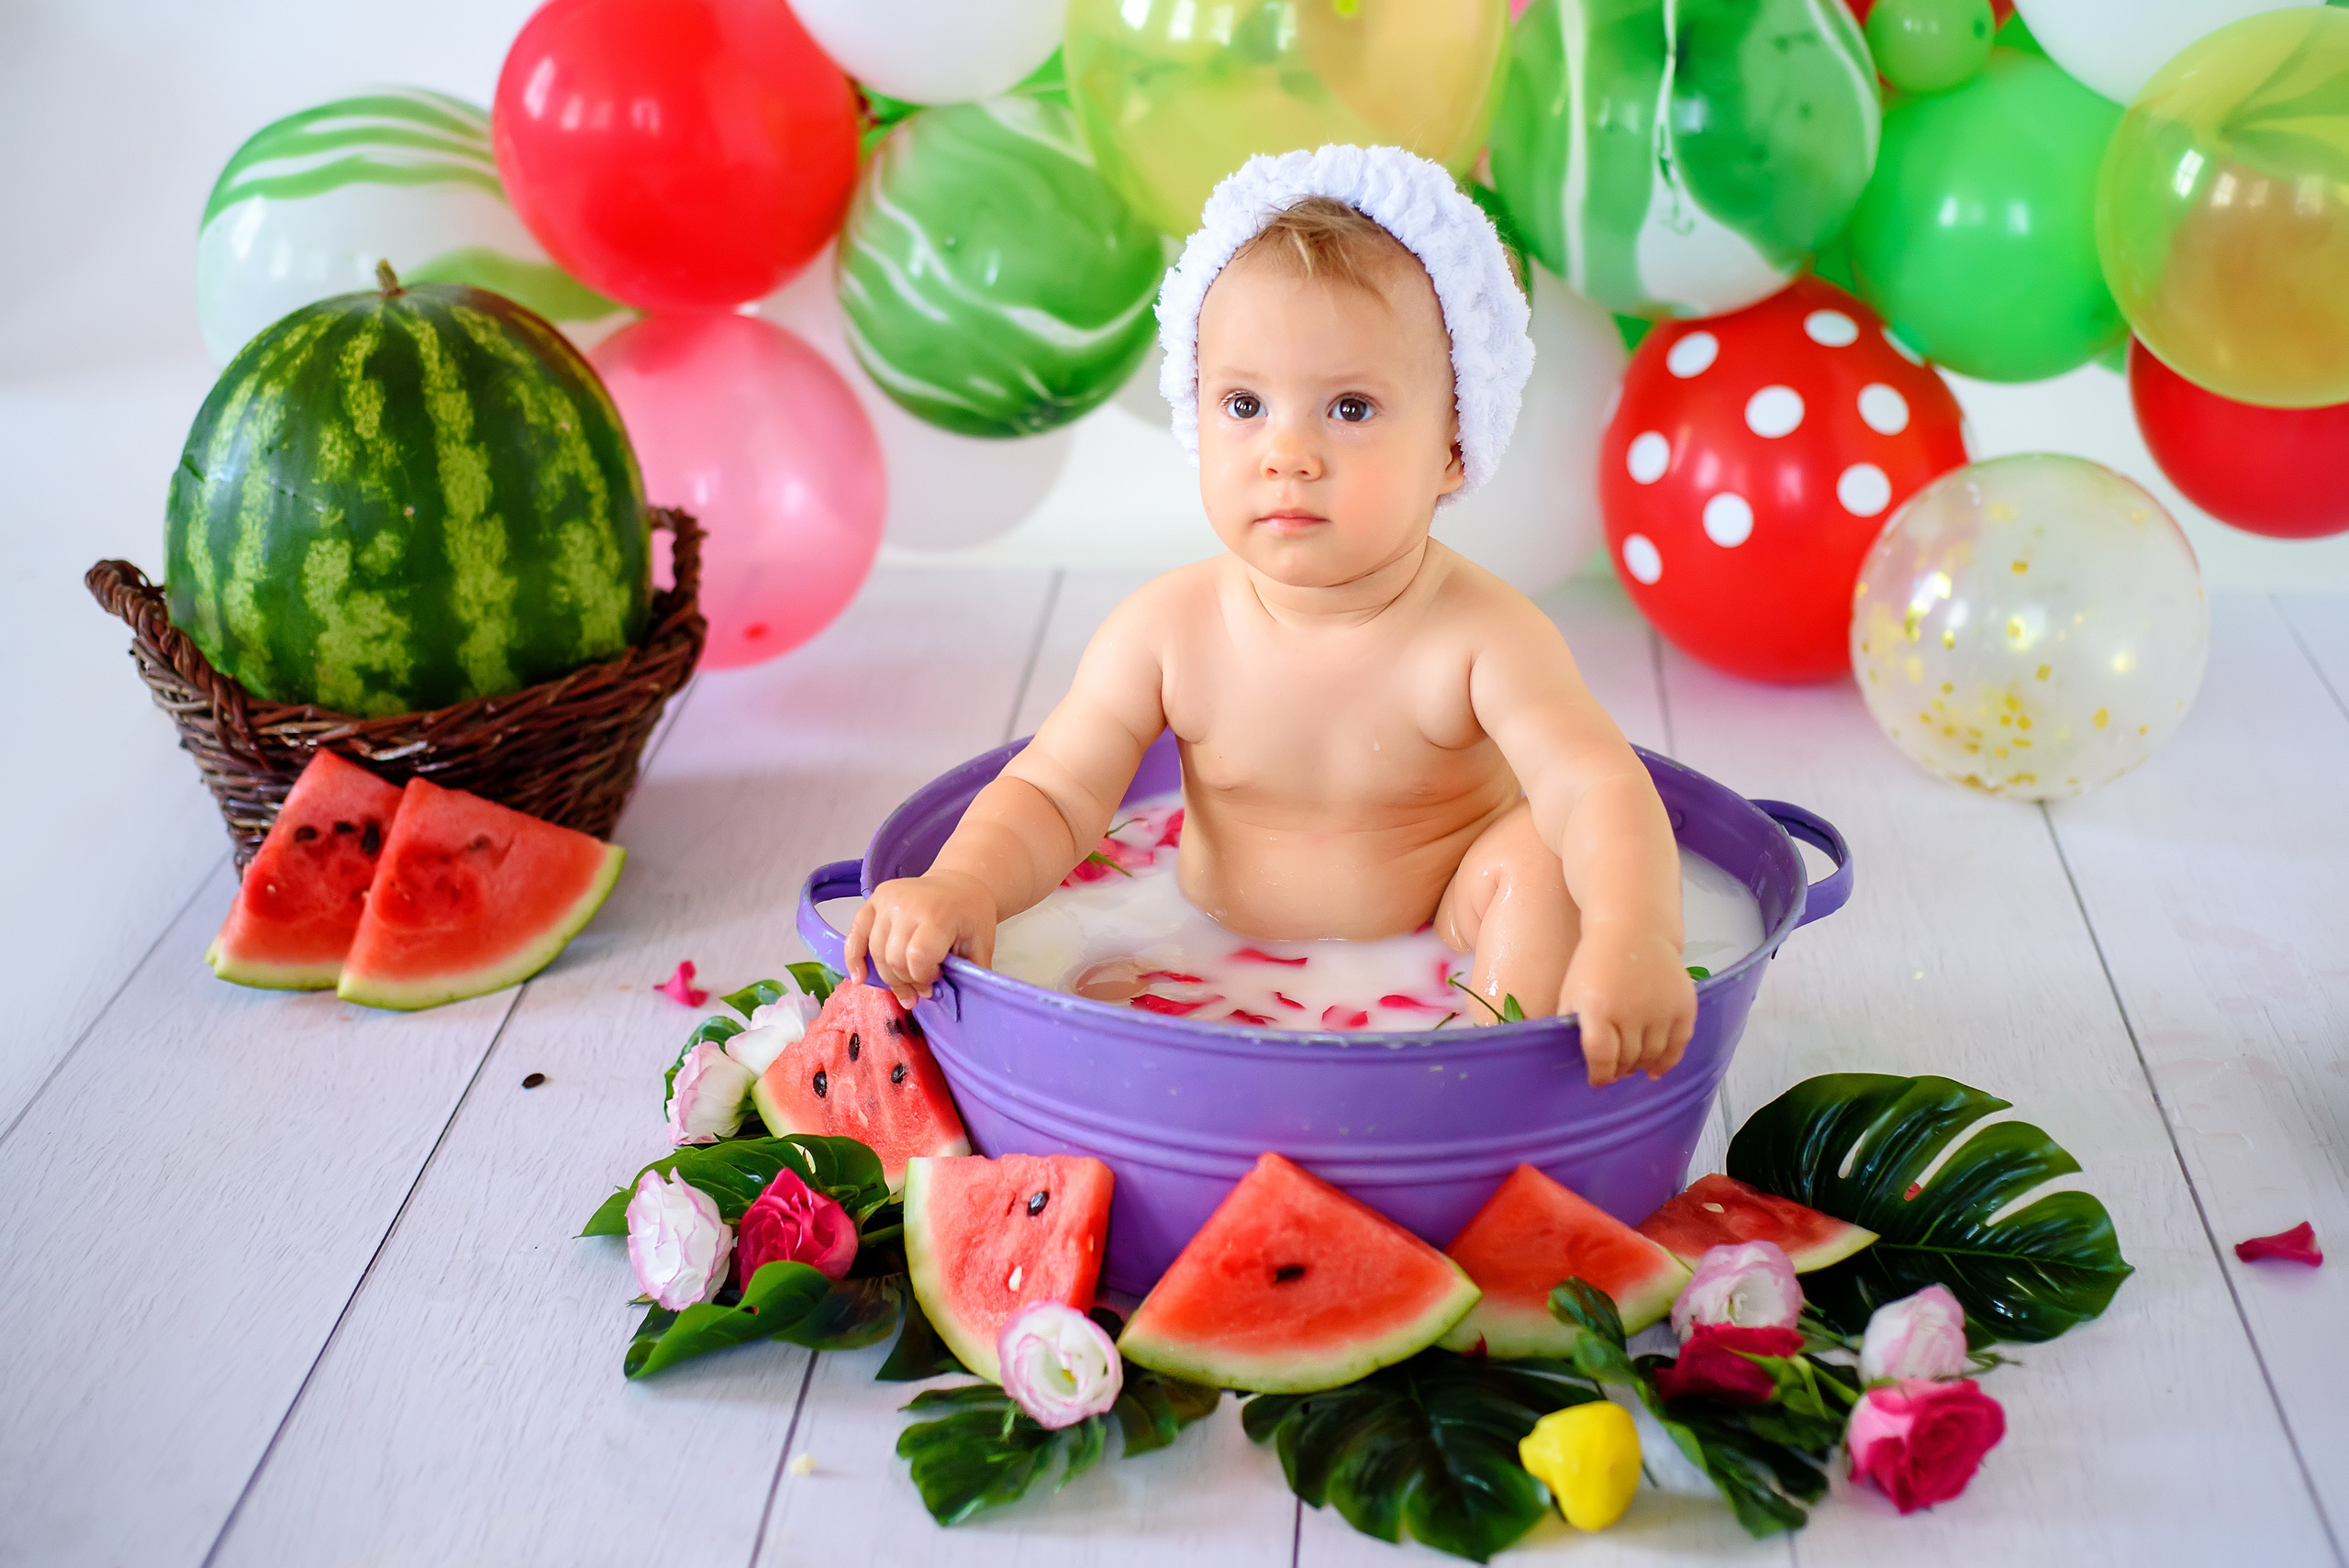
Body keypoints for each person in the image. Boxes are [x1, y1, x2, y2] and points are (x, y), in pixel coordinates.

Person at [848, 145, 1695, 1085]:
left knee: (1541, 859)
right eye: (1244, 402)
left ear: (1454, 446)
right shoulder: (1164, 630)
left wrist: (1635, 934)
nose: (1288, 451)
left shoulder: (1483, 637)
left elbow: (1597, 790)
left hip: (1449, 919)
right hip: (1201, 939)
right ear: (1195, 413)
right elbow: (1051, 794)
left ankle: (1483, 1070)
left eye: (1350, 406)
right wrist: (963, 882)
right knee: (1080, 969)